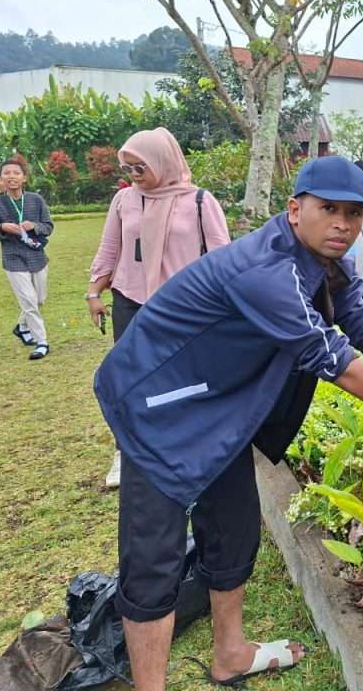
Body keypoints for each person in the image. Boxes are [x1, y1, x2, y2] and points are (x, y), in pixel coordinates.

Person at [93, 156, 363, 691]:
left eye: (353, 214)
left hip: (219, 406)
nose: (342, 225)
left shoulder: (330, 266)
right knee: (154, 556)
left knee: (233, 526)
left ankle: (231, 653)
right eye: (328, 209)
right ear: (294, 208)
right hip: (158, 406)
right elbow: (340, 364)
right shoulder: (267, 271)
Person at [87, 127, 232, 488]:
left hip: (184, 307)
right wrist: (93, 292)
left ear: (164, 162)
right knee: (128, 378)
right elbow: (110, 249)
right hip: (130, 302)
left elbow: (223, 259)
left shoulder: (199, 201)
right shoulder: (124, 201)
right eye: (128, 168)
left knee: (184, 379)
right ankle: (126, 453)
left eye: (141, 168)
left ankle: (180, 447)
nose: (135, 176)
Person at [0, 158, 54, 360]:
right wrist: (2, 228)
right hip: (13, 258)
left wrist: (33, 226)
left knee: (39, 299)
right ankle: (41, 341)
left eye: (16, 173)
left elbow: (49, 226)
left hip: (37, 257)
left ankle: (22, 326)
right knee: (29, 301)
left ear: (24, 177)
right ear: (1, 178)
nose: (11, 177)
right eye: (6, 173)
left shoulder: (36, 200)